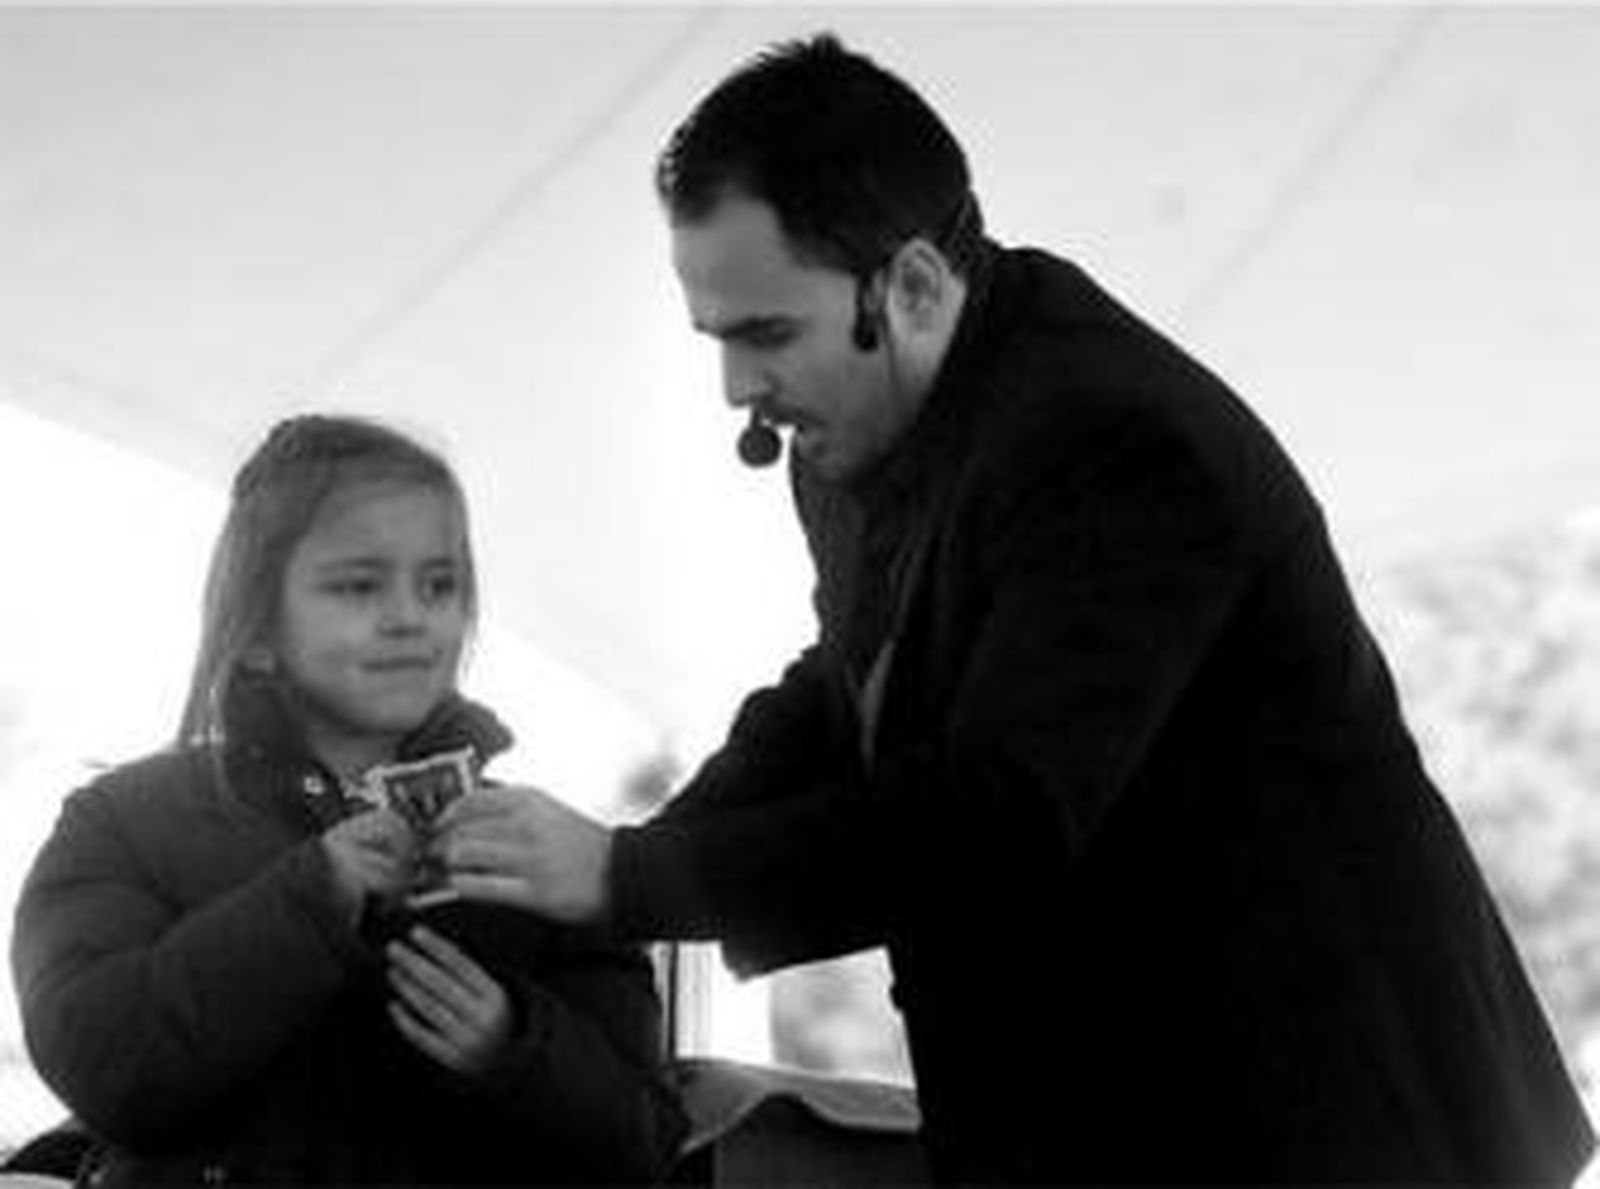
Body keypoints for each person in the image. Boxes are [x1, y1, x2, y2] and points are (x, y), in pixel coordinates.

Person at [436, 33, 1596, 1185]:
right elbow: (847, 694)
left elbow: (999, 815)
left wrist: (630, 880)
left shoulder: (1116, 437)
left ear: (913, 286)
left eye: (767, 334)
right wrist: (615, 878)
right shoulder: (862, 427)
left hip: (1326, 1123)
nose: (738, 388)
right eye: (717, 339)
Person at [10, 414, 686, 1186]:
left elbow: (645, 1145)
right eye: (359, 585)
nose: (410, 615)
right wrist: (309, 899)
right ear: (258, 629)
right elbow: (103, 1068)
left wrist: (516, 1048)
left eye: (440, 583)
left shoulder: (544, 853)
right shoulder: (122, 821)